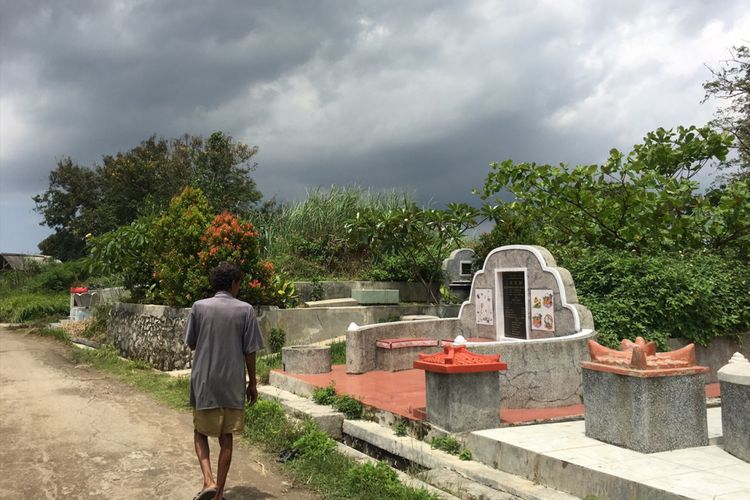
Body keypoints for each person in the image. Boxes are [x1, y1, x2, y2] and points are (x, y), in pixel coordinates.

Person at [184, 262, 265, 500]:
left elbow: (192, 343)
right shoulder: (246, 310)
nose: (239, 287)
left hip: (204, 380)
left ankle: (208, 480)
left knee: (200, 431)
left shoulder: (199, 307)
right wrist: (252, 382)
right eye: (239, 282)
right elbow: (250, 350)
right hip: (232, 382)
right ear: (232, 284)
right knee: (226, 436)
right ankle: (219, 494)